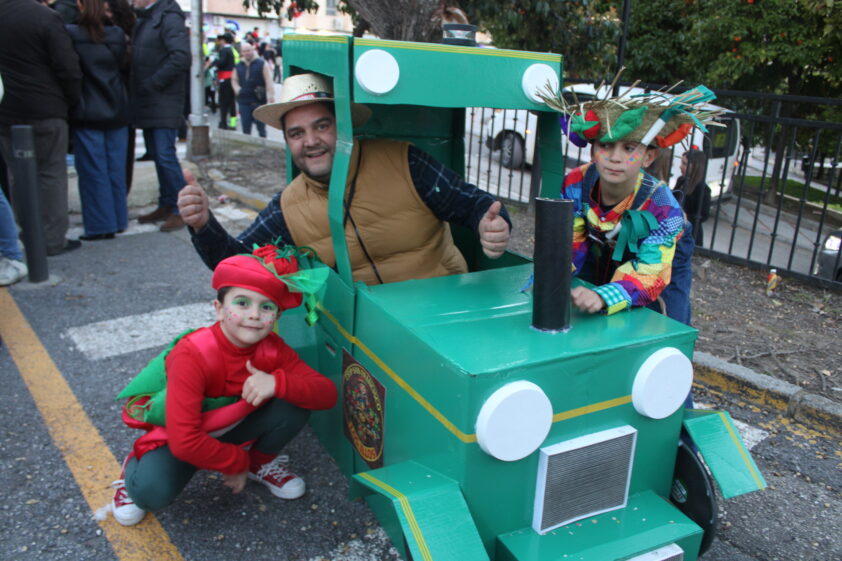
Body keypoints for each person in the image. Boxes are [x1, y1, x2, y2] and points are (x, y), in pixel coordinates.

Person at [178, 73, 512, 284]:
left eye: (321, 126)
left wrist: (492, 224)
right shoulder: (288, 207)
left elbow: (474, 204)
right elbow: (237, 266)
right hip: (366, 333)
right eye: (297, 133)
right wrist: (203, 224)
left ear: (343, 127)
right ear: (288, 142)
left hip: (443, 309)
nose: (311, 141)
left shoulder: (404, 161)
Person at [107, 244, 337, 526]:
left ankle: (259, 463)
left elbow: (327, 394)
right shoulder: (192, 354)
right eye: (242, 303)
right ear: (218, 309)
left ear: (276, 317)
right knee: (151, 493)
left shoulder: (273, 348)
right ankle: (131, 473)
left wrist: (278, 382)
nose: (255, 314)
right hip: (184, 434)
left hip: (228, 425)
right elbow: (184, 440)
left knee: (295, 399)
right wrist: (234, 462)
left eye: (266, 307)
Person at [541, 83, 719, 324]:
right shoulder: (575, 183)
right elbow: (572, 242)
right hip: (603, 243)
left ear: (648, 157)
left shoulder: (664, 208)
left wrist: (604, 296)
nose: (615, 158)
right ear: (593, 152)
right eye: (606, 145)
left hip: (661, 255)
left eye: (629, 148)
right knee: (583, 303)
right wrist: (557, 277)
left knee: (669, 321)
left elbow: (650, 273)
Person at [0, 0, 82, 256]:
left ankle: (29, 236)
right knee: (50, 174)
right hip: (46, 106)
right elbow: (68, 67)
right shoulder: (44, 16)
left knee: (18, 174)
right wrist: (71, 100)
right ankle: (51, 239)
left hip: (7, 108)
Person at [66, 0, 131, 241]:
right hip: (117, 107)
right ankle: (119, 219)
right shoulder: (117, 34)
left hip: (87, 110)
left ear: (81, 5)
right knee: (115, 169)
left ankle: (100, 225)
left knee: (93, 172)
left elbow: (69, 72)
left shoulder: (71, 34)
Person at [130, 0, 190, 232]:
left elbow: (181, 57)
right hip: (151, 99)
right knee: (157, 155)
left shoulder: (168, 16)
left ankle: (180, 210)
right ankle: (167, 203)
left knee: (165, 155)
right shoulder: (150, 16)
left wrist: (153, 84)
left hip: (162, 99)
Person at [232, 41, 274, 138]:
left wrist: (271, 95)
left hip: (258, 102)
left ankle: (263, 144)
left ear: (253, 50)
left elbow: (268, 80)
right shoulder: (238, 66)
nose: (247, 53)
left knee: (261, 129)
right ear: (242, 53)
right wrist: (238, 90)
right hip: (244, 102)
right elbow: (234, 80)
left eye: (248, 50)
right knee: (246, 129)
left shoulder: (261, 63)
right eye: (244, 51)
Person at [674, 149, 711, 246]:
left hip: (690, 233)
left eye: (684, 164)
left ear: (695, 167)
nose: (680, 166)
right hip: (675, 229)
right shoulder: (681, 180)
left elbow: (703, 215)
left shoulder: (702, 188)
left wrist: (684, 218)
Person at [210, 33, 237, 131]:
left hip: (224, 79)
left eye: (220, 40)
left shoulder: (224, 50)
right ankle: (233, 123)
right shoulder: (231, 50)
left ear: (224, 40)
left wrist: (214, 62)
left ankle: (223, 122)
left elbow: (221, 62)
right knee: (231, 102)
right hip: (231, 78)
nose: (219, 42)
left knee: (223, 102)